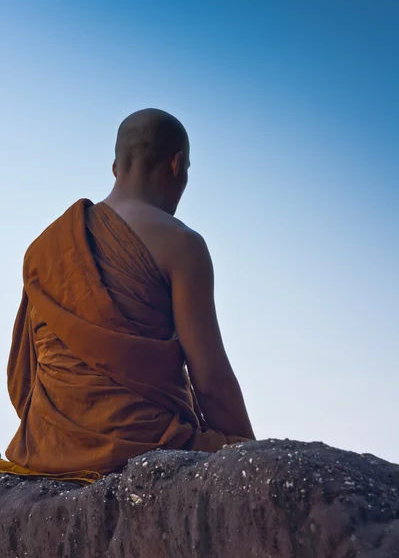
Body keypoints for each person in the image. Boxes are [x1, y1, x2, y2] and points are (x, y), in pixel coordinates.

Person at [0, 108, 254, 484]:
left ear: (116, 167)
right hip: (144, 442)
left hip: (46, 446)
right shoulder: (182, 244)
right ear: (177, 164)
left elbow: (25, 376)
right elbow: (211, 380)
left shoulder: (45, 248)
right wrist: (248, 454)